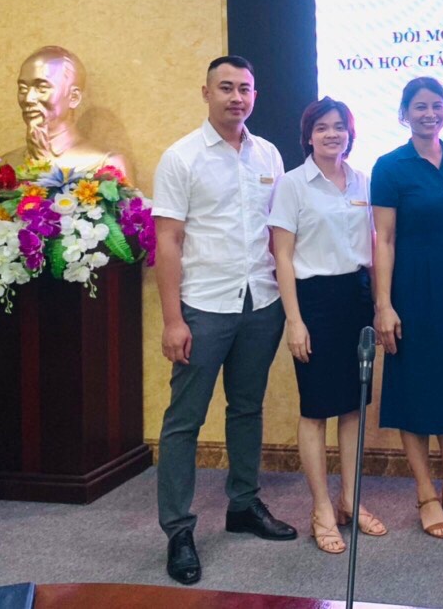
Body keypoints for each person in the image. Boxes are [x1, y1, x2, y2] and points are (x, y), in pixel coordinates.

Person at [152, 55, 295, 586]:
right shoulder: (181, 157)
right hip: (204, 307)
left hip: (260, 302)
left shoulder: (269, 153)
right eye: (227, 88)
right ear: (206, 92)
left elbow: (279, 231)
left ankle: (243, 504)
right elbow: (168, 240)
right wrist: (173, 320)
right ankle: (178, 529)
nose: (237, 97)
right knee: (184, 421)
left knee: (247, 408)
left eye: (245, 89)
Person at [371, 76, 443, 539]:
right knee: (416, 389)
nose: (429, 114)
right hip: (412, 293)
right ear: (404, 114)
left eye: (437, 105)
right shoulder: (390, 166)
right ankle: (425, 493)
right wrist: (384, 305)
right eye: (420, 106)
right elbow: (383, 239)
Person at [271, 97, 387, 555]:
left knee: (354, 406)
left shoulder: (362, 181)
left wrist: (378, 304)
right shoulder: (292, 184)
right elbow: (282, 255)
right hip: (313, 302)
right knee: (316, 409)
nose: (332, 134)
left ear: (350, 133)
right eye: (322, 127)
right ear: (308, 135)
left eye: (339, 126)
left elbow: (373, 246)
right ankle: (321, 508)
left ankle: (350, 501)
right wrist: (294, 320)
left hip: (355, 297)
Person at [2, 45, 129, 177]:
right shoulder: (5, 165)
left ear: (73, 97)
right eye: (23, 89)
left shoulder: (105, 165)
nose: (28, 98)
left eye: (42, 88)